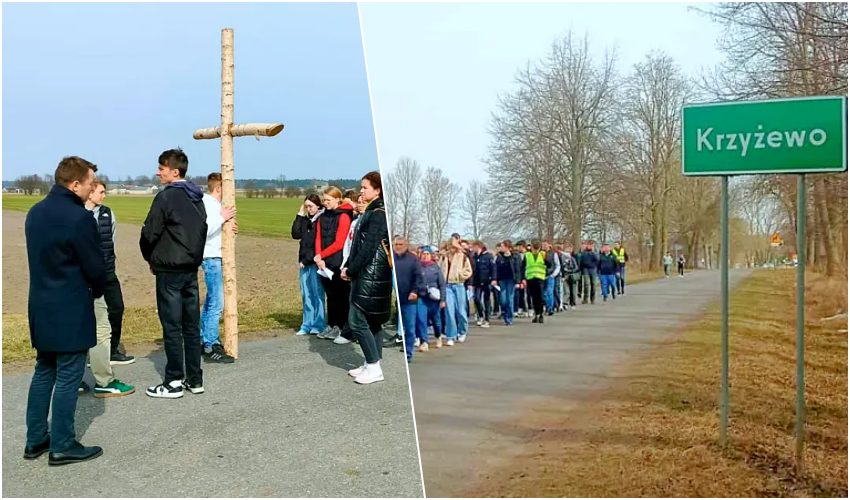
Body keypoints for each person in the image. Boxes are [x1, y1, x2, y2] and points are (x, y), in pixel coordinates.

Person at [25, 156, 106, 465]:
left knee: (44, 371)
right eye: (88, 184)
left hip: (41, 304)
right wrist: (96, 290)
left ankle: (35, 439)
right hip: (70, 306)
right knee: (70, 375)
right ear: (74, 184)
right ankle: (62, 443)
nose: (90, 190)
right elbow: (95, 267)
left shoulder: (35, 212)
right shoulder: (79, 217)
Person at [140, 149, 208, 398]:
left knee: (171, 326)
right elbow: (202, 229)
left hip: (169, 269)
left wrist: (150, 257)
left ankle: (173, 381)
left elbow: (150, 232)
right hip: (190, 268)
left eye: (162, 168)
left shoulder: (166, 197)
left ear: (174, 171)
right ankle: (195, 378)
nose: (158, 172)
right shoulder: (196, 197)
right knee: (191, 327)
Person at [83, 181, 135, 397]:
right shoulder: (78, 214)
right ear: (90, 192)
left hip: (107, 272)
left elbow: (110, 240)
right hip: (86, 276)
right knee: (93, 323)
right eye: (101, 192)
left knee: (116, 309)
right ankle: (95, 372)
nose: (104, 195)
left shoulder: (107, 214)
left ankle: (110, 352)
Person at [341, 172, 392, 384]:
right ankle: (373, 362)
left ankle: (373, 366)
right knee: (373, 321)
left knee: (357, 319)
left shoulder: (378, 213)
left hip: (371, 275)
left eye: (365, 188)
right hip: (372, 274)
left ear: (377, 190)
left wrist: (351, 270)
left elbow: (368, 247)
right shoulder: (372, 211)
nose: (361, 191)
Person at [199, 173, 237, 363]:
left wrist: (229, 230)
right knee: (216, 303)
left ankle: (203, 338)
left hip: (217, 255)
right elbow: (203, 230)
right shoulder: (207, 205)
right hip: (210, 257)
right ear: (219, 189)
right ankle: (211, 343)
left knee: (211, 302)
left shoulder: (216, 206)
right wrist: (222, 219)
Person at [314, 187, 354, 340]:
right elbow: (318, 237)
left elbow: (339, 242)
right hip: (323, 262)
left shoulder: (343, 216)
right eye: (324, 200)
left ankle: (342, 325)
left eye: (328, 200)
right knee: (330, 295)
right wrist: (318, 257)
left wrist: (322, 255)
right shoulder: (322, 217)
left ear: (338, 199)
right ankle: (332, 325)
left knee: (340, 296)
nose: (325, 203)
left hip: (336, 261)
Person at [334, 194, 368, 345]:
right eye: (358, 202)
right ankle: (351, 332)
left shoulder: (368, 222)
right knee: (351, 300)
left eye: (362, 203)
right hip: (349, 264)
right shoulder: (355, 221)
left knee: (359, 302)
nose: (359, 205)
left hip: (361, 269)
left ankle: (355, 333)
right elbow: (349, 245)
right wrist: (345, 265)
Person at [292, 194, 326, 336]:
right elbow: (295, 234)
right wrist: (299, 215)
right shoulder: (306, 220)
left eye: (311, 206)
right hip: (304, 262)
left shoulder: (321, 221)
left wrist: (306, 260)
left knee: (317, 294)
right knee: (306, 295)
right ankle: (307, 324)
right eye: (306, 206)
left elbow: (317, 244)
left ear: (318, 206)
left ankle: (319, 324)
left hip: (314, 263)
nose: (308, 209)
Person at [439, 234, 473, 346]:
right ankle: (451, 335)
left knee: (461, 311)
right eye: (450, 246)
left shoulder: (462, 256)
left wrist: (460, 276)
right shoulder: (443, 257)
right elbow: (439, 270)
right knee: (449, 311)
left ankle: (462, 331)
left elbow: (468, 271)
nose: (451, 248)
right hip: (447, 286)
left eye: (453, 246)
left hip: (458, 285)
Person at [394, 236, 423, 363]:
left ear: (405, 245)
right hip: (398, 298)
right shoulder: (393, 259)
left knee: (410, 329)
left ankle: (409, 353)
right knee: (402, 326)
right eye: (396, 244)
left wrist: (415, 291)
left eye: (400, 244)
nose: (398, 247)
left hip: (410, 299)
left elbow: (419, 277)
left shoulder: (413, 259)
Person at [416, 246, 445, 351]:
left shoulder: (436, 268)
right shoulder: (417, 267)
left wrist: (442, 299)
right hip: (421, 297)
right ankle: (424, 342)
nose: (425, 256)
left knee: (436, 320)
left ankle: (438, 336)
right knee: (421, 319)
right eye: (423, 254)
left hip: (434, 298)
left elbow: (442, 284)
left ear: (431, 256)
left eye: (427, 254)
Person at [472, 241, 496, 328]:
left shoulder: (488, 256)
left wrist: (493, 278)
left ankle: (487, 319)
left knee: (486, 300)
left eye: (474, 246)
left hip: (487, 281)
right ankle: (480, 315)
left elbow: (493, 268)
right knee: (476, 298)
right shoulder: (474, 257)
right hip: (477, 282)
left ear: (479, 247)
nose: (473, 248)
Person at [494, 240, 519, 326]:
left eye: (502, 246)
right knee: (503, 299)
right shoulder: (499, 257)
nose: (501, 248)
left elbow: (517, 269)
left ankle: (509, 318)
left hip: (511, 280)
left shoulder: (514, 256)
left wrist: (518, 281)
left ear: (507, 247)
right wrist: (495, 279)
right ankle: (504, 313)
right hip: (502, 279)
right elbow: (496, 268)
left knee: (510, 299)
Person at [524, 240, 547, 324]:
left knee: (540, 297)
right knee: (534, 298)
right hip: (530, 278)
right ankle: (536, 314)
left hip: (540, 278)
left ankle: (541, 314)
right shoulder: (527, 255)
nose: (536, 250)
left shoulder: (543, 254)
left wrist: (547, 273)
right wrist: (523, 278)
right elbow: (523, 267)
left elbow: (549, 265)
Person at [542, 241, 560, 315]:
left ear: (549, 245)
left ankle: (550, 308)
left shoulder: (554, 254)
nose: (544, 246)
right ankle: (546, 306)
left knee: (550, 292)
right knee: (543, 293)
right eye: (543, 244)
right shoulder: (540, 253)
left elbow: (557, 265)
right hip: (542, 275)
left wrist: (554, 274)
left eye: (545, 244)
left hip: (550, 275)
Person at [578, 240, 600, 304]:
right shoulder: (583, 252)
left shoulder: (595, 252)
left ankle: (592, 299)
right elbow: (581, 261)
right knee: (586, 284)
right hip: (585, 269)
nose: (589, 246)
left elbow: (597, 260)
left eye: (591, 245)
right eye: (588, 245)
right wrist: (580, 270)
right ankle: (585, 299)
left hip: (593, 269)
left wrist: (593, 252)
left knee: (593, 284)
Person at [513, 241, 529, 318]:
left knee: (527, 295)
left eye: (518, 247)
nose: (517, 248)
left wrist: (524, 278)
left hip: (528, 277)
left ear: (522, 246)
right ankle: (521, 308)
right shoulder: (518, 255)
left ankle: (527, 309)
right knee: (520, 294)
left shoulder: (527, 255)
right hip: (521, 277)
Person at [562, 244, 580, 310]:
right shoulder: (562, 257)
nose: (569, 250)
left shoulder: (573, 258)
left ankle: (573, 303)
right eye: (567, 249)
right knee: (566, 291)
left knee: (573, 291)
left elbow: (576, 267)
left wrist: (571, 270)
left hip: (573, 276)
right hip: (566, 276)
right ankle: (565, 303)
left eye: (570, 249)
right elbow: (562, 266)